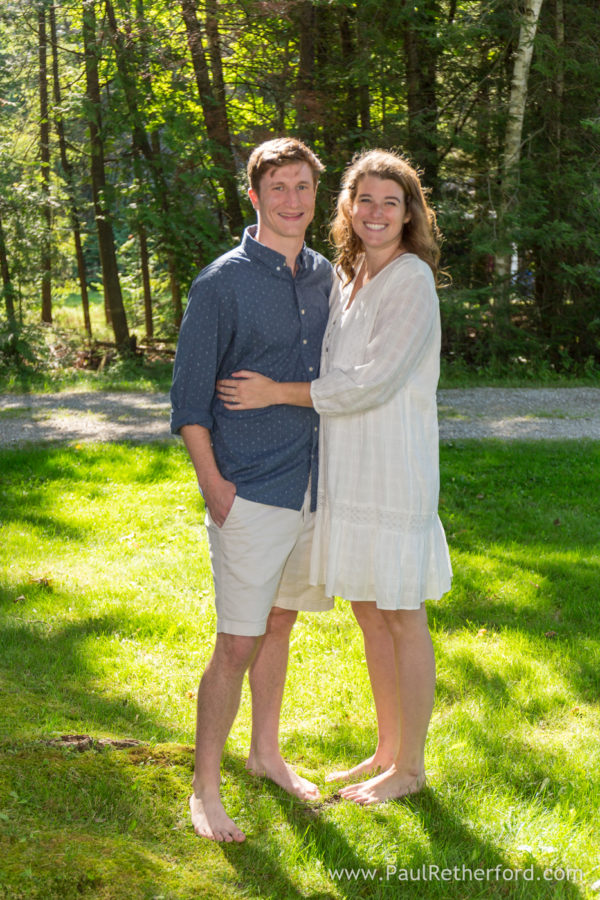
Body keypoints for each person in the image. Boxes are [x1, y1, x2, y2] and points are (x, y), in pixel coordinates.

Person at [216, 148, 453, 806]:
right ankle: (386, 751)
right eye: (364, 199)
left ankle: (411, 768)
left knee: (402, 614)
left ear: (410, 214)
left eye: (391, 201)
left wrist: (275, 394)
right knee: (371, 614)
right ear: (347, 208)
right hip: (347, 470)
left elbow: (369, 382)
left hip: (393, 469)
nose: (376, 212)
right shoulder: (349, 276)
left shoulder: (410, 279)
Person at [170, 137, 334, 842]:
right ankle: (205, 791)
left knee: (280, 623)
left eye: (302, 188)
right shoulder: (222, 282)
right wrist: (215, 489)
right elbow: (187, 402)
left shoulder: (329, 276)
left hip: (313, 486)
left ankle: (265, 753)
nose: (292, 201)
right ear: (255, 195)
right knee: (236, 641)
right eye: (279, 188)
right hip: (248, 489)